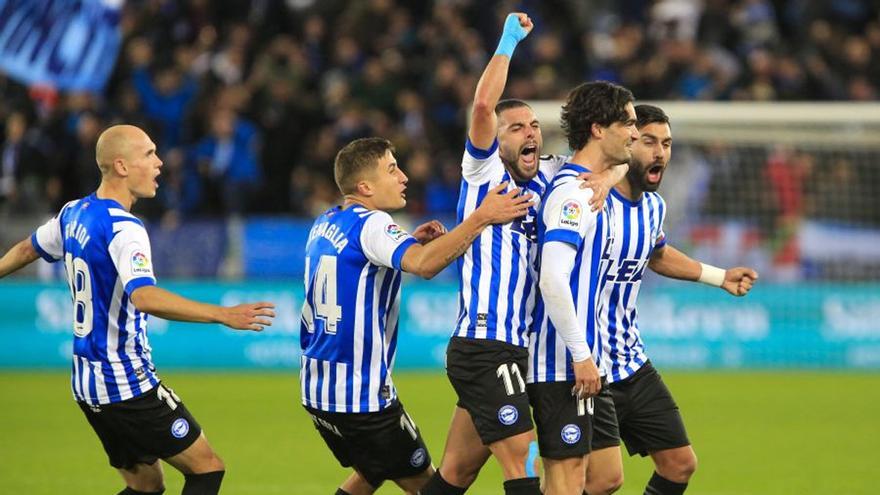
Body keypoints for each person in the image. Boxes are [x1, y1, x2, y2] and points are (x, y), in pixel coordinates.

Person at [0, 124, 275, 495]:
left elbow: (27, 249)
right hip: (125, 383)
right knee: (207, 470)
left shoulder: (74, 212)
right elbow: (144, 297)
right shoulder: (124, 228)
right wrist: (222, 314)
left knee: (147, 486)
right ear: (122, 166)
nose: (160, 163)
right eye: (149, 154)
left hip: (86, 383)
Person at [421, 14, 627, 495]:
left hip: (519, 350)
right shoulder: (483, 173)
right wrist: (510, 40)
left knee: (456, 472)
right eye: (515, 127)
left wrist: (606, 179)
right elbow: (482, 103)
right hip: (484, 346)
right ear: (498, 138)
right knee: (528, 467)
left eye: (534, 125)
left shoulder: (549, 178)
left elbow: (611, 156)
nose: (529, 132)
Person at [299, 137, 534, 495]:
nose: (404, 177)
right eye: (392, 169)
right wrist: (483, 216)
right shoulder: (374, 224)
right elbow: (424, 266)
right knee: (427, 485)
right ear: (365, 187)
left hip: (318, 389)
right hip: (361, 397)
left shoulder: (326, 221)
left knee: (372, 470)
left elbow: (360, 262)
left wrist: (408, 240)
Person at [583, 104, 759, 495]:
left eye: (666, 143)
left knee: (680, 464)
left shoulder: (652, 207)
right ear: (627, 142)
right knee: (602, 481)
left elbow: (657, 254)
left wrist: (719, 277)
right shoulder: (590, 198)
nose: (660, 152)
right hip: (586, 363)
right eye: (649, 141)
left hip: (630, 360)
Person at [529, 81, 639, 495]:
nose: (634, 132)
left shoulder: (592, 182)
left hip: (587, 360)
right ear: (597, 128)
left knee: (606, 476)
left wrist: (611, 174)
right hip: (561, 362)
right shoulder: (574, 194)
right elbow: (553, 279)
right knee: (568, 479)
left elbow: (625, 160)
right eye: (627, 123)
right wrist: (580, 355)